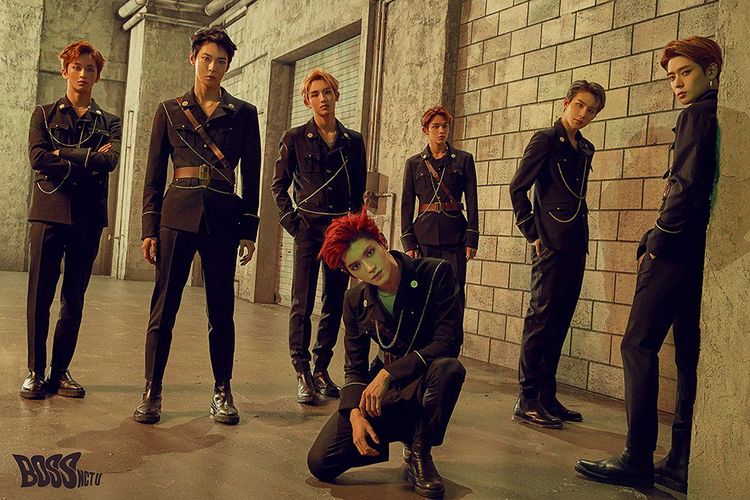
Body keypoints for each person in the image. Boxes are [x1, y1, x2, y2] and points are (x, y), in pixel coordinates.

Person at [575, 36, 722, 493]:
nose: (677, 83)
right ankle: (680, 458)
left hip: (673, 252)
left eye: (686, 72)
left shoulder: (696, 115)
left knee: (637, 346)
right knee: (688, 355)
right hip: (698, 255)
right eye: (672, 76)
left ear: (711, 71)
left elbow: (686, 186)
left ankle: (636, 457)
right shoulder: (715, 112)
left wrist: (657, 237)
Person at [133, 27, 261, 425]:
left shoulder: (244, 114)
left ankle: (222, 391)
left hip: (223, 217)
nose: (212, 67)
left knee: (221, 311)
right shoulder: (169, 110)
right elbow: (153, 174)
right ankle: (152, 390)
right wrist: (149, 228)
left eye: (220, 61)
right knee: (163, 308)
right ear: (193, 59)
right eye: (206, 59)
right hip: (176, 215)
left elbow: (252, 175)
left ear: (228, 66)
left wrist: (249, 229)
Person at [307, 209, 465, 499]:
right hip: (385, 392)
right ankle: (403, 428)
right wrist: (354, 413)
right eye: (356, 266)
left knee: (449, 369)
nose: (369, 268)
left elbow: (448, 342)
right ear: (349, 273)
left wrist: (387, 373)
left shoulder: (434, 273)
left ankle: (419, 452)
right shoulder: (354, 300)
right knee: (321, 462)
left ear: (381, 241)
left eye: (370, 252)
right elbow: (355, 367)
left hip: (425, 379)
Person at [21, 40, 121, 400]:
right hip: (49, 213)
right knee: (39, 295)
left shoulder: (109, 122)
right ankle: (35, 371)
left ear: (97, 76)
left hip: (88, 217)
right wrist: (86, 159)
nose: (83, 74)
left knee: (73, 298)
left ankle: (60, 371)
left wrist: (61, 153)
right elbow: (37, 157)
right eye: (76, 67)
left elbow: (110, 161)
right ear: (65, 70)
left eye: (90, 69)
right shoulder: (43, 114)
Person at [509, 80, 606, 428]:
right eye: (579, 105)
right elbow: (517, 188)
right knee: (540, 320)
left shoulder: (585, 148)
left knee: (560, 321)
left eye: (591, 110)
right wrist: (532, 234)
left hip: (575, 242)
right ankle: (527, 399)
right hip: (549, 242)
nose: (583, 114)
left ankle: (547, 396)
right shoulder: (546, 140)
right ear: (566, 102)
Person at [271, 68, 367, 404]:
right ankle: (302, 371)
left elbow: (358, 193)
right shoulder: (294, 138)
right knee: (302, 302)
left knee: (334, 302)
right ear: (306, 100)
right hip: (308, 231)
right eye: (315, 94)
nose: (322, 99)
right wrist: (294, 225)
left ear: (337, 95)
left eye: (327, 92)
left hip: (340, 234)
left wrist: (355, 234)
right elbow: (278, 187)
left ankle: (322, 368)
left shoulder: (353, 141)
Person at [400, 106, 478, 306]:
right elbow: (407, 206)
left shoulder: (463, 160)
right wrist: (409, 242)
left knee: (455, 293)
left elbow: (472, 201)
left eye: (445, 126)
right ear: (425, 130)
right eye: (435, 127)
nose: (441, 131)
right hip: (424, 237)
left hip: (455, 236)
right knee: (424, 294)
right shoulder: (414, 164)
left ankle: (453, 328)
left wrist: (472, 238)